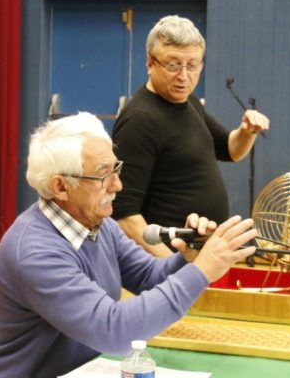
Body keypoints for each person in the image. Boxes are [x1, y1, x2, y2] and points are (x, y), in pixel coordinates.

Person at [0, 112, 257, 377]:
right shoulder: (34, 252)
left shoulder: (99, 223)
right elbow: (115, 331)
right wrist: (203, 270)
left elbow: (150, 276)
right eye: (103, 175)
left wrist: (190, 258)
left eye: (116, 169)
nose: (117, 185)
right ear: (60, 187)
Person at [112, 15, 270, 256]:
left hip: (197, 259)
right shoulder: (139, 119)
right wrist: (171, 268)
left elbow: (230, 149)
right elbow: (124, 216)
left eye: (192, 65)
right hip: (167, 265)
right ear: (150, 63)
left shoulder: (187, 101)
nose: (184, 76)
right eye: (173, 65)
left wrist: (247, 132)